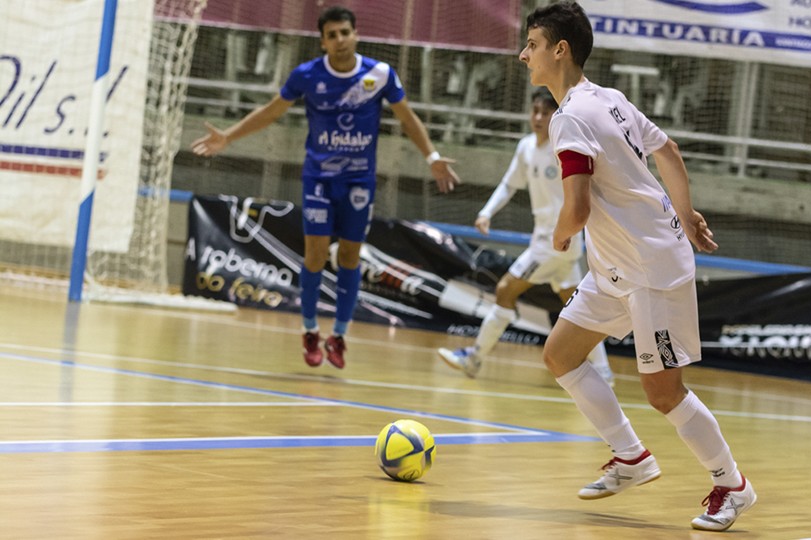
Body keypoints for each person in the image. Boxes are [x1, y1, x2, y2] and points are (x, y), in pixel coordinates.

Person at [519, 2, 756, 532]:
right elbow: (668, 150)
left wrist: (559, 235)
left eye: (532, 44)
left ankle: (733, 486)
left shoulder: (569, 118)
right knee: (561, 354)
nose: (523, 55)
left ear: (560, 50)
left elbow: (578, 209)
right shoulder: (610, 98)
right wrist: (686, 213)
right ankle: (631, 457)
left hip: (651, 268)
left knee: (663, 392)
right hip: (616, 266)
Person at [191, 6, 459, 370]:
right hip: (319, 179)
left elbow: (408, 118)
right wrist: (228, 136)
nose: (340, 40)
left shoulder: (379, 74)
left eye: (345, 32)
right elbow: (272, 111)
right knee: (315, 254)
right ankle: (309, 330)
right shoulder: (307, 75)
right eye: (332, 35)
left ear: (356, 34)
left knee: (350, 256)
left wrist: (433, 156)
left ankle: (339, 336)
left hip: (359, 181)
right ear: (322, 42)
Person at [437, 89, 614, 387]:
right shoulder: (526, 147)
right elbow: (509, 184)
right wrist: (486, 212)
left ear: (557, 115)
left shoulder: (565, 148)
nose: (538, 117)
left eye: (545, 112)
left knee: (505, 289)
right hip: (547, 241)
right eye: (534, 111)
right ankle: (605, 373)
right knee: (577, 308)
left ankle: (475, 357)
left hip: (556, 243)